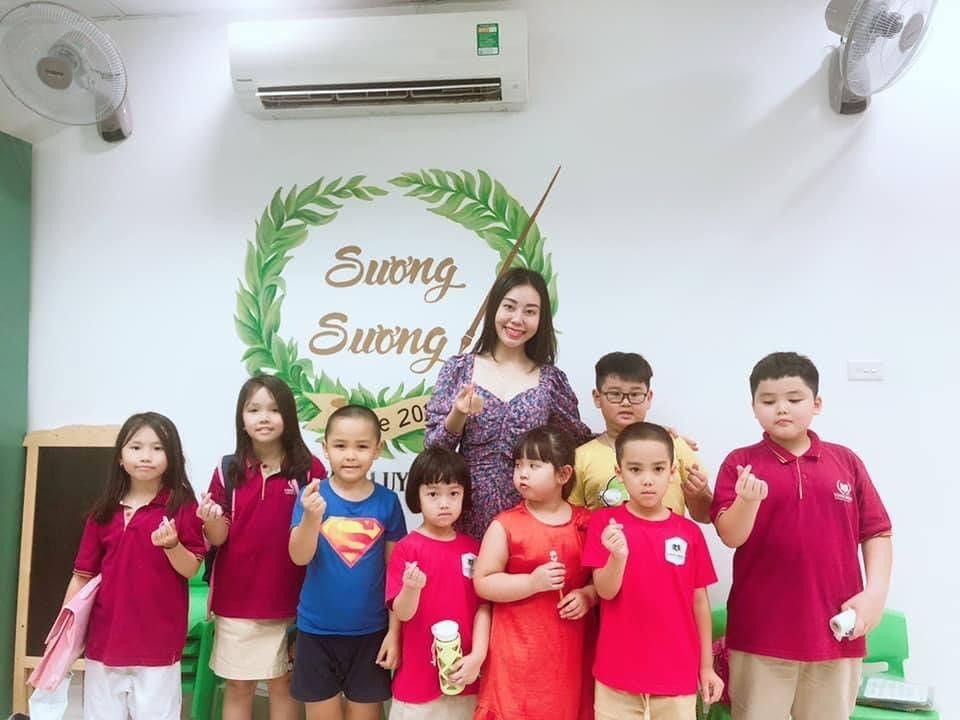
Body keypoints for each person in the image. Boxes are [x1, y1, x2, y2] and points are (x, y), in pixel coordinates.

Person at [710, 352, 893, 720]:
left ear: (816, 403)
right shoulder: (740, 463)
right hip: (760, 634)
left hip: (836, 630)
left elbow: (877, 531)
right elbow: (730, 536)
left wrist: (875, 594)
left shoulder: (846, 461)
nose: (782, 408)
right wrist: (747, 501)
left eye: (794, 399)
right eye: (768, 401)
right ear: (753, 407)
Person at [425, 268, 591, 539]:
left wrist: (630, 437)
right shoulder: (460, 368)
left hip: (531, 513)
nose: (517, 319)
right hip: (466, 509)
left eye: (530, 311)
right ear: (494, 308)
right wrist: (458, 413)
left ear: (541, 319)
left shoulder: (551, 380)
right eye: (509, 307)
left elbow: (576, 440)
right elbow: (434, 449)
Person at [199, 375, 327, 720]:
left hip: (293, 599)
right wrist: (210, 519)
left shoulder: (309, 470)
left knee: (283, 684)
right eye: (254, 409)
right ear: (241, 418)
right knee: (238, 686)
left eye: (273, 409)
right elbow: (218, 537)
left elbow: (319, 532)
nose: (264, 418)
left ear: (288, 416)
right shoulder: (227, 469)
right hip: (236, 601)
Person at [66, 412, 205, 720]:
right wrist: (64, 631)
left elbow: (191, 569)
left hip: (158, 645)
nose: (146, 456)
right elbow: (81, 576)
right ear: (120, 457)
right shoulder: (102, 513)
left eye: (158, 448)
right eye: (136, 447)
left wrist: (172, 545)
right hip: (104, 642)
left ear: (173, 456)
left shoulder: (183, 507)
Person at [584, 422, 722, 720]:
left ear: (672, 472)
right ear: (619, 472)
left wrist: (706, 667)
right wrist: (618, 556)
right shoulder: (605, 524)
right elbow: (605, 591)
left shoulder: (689, 533)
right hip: (616, 674)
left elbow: (699, 602)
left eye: (658, 469)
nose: (647, 480)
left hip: (677, 676)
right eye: (635, 469)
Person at [289, 405, 407, 720]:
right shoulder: (312, 497)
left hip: (371, 633)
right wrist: (312, 517)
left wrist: (394, 633)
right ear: (325, 448)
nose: (351, 455)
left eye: (362, 446)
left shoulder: (388, 502)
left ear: (377, 450)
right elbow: (299, 556)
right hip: (316, 632)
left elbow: (395, 574)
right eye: (340, 446)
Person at [472, 426, 596, 720]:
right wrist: (531, 582)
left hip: (569, 653)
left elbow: (602, 580)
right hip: (516, 653)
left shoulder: (586, 523)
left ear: (563, 475)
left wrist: (588, 596)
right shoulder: (505, 524)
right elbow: (483, 582)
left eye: (534, 466)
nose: (522, 474)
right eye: (518, 465)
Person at [386, 447, 490, 720]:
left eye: (453, 493)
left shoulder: (474, 548)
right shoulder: (407, 548)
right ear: (417, 497)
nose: (444, 503)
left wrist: (478, 656)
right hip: (418, 679)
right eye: (433, 494)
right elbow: (402, 612)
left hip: (466, 675)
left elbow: (483, 607)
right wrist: (411, 588)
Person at [570, 352, 712, 521]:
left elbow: (705, 516)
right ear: (597, 397)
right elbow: (572, 520)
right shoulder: (581, 457)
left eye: (635, 394)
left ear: (649, 397)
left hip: (668, 538)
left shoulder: (674, 445)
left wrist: (698, 495)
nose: (625, 402)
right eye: (615, 394)